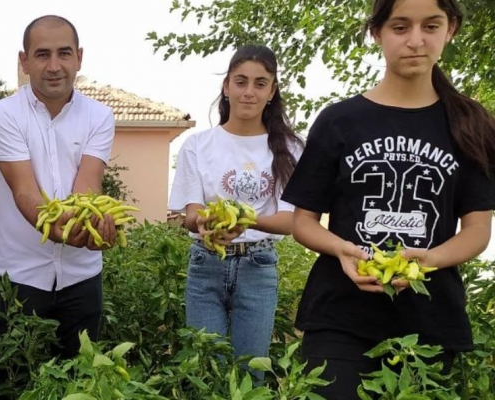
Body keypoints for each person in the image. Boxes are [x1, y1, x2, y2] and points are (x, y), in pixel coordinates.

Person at [280, 0, 495, 397]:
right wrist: (343, 250)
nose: (416, 40)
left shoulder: (472, 123)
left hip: (429, 325)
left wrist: (430, 259)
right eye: (400, 27)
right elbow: (303, 221)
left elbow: (478, 229)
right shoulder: (338, 120)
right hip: (339, 319)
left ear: (451, 30)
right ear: (377, 32)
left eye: (430, 26)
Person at [0, 14, 118, 399]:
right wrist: (63, 230)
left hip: (81, 277)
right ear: (24, 61)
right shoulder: (5, 114)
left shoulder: (99, 116)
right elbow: (25, 192)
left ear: (79, 58)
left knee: (80, 384)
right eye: (42, 54)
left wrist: (90, 227)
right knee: (6, 383)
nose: (54, 66)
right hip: (21, 277)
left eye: (63, 53)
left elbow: (87, 187)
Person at [168, 44, 302, 377]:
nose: (249, 92)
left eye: (260, 83)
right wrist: (208, 222)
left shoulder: (291, 148)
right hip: (205, 263)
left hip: (259, 265)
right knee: (206, 369)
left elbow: (290, 221)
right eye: (240, 82)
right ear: (226, 87)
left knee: (251, 372)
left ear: (272, 91)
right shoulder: (198, 145)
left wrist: (244, 221)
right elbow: (190, 214)